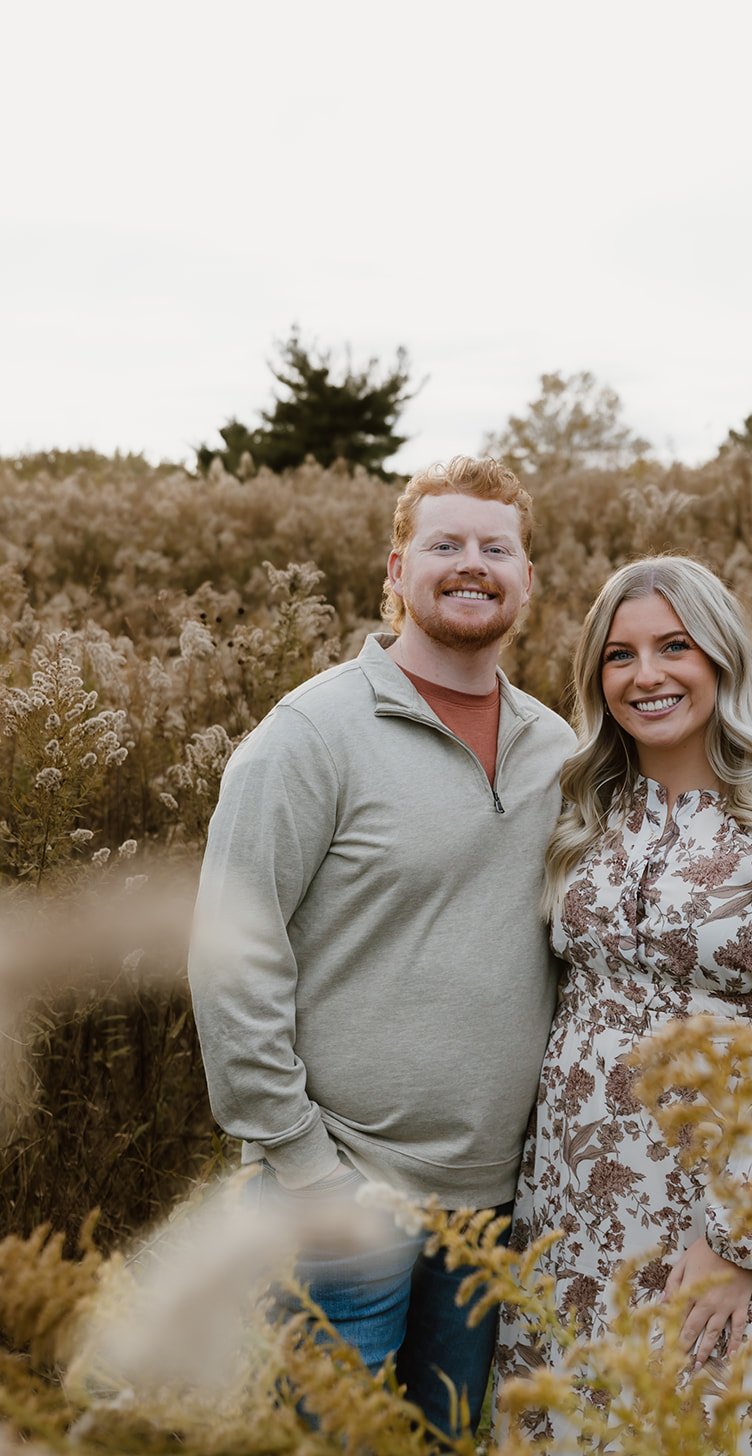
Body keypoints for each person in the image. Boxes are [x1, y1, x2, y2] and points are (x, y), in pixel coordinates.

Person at [188, 455, 574, 1435]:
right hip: (340, 1193)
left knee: (443, 1434)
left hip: (491, 1202)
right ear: (396, 570)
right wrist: (305, 1165)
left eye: (496, 546)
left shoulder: (557, 750)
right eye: (444, 543)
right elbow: (231, 953)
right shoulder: (309, 736)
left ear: (526, 578)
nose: (471, 563)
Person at [495, 556, 752, 1455]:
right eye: (620, 655)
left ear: (720, 657)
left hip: (717, 1210)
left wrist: (740, 1239)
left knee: (709, 1423)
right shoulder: (582, 808)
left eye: (674, 647)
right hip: (569, 1204)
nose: (647, 676)